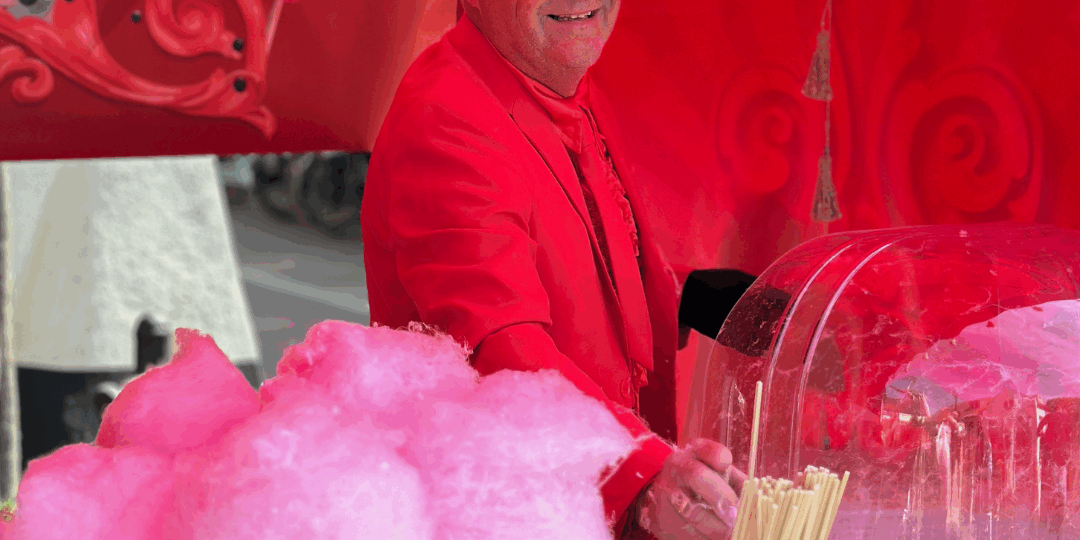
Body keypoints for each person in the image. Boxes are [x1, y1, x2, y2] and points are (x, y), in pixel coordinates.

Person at [361, 1, 746, 538]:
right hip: (511, 513)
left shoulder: (562, 80)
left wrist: (695, 299)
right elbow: (498, 347)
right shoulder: (446, 114)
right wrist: (641, 474)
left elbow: (586, 259)